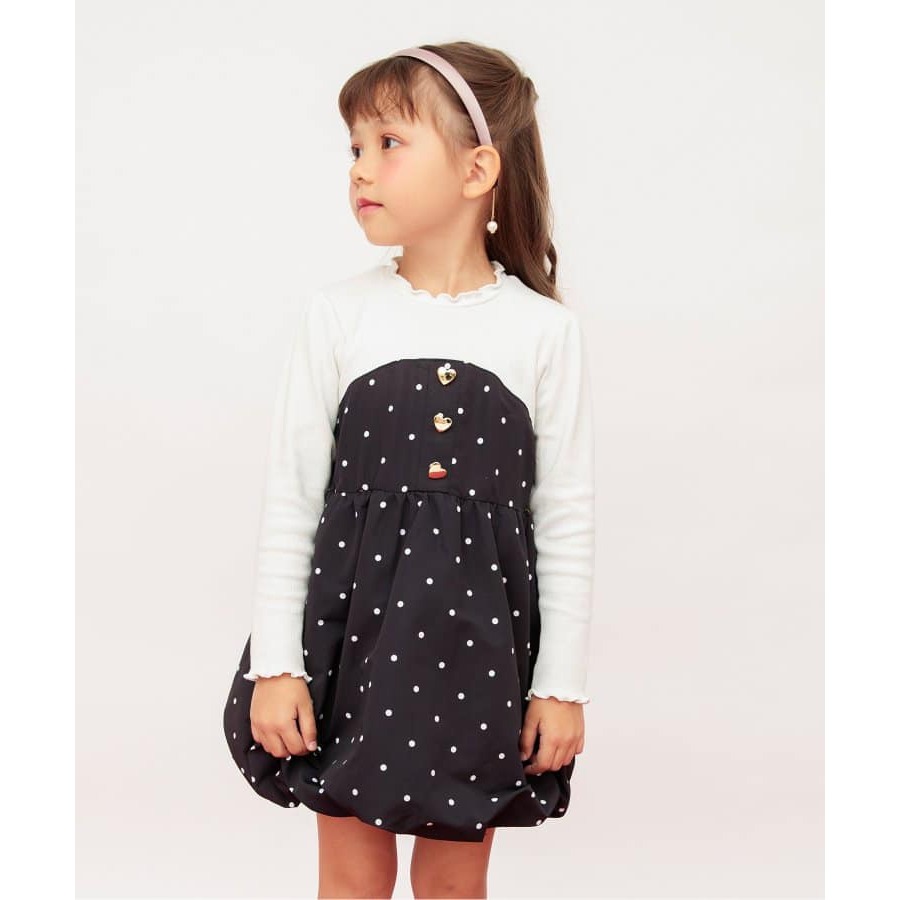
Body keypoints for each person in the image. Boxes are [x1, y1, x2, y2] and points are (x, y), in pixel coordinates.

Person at [222, 41, 596, 898]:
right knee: (352, 879)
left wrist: (560, 685)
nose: (361, 168)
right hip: (348, 642)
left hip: (479, 656)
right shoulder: (339, 316)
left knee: (454, 885)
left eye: (389, 143)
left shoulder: (544, 333)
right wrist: (277, 666)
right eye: (355, 147)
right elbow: (293, 501)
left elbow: (565, 520)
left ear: (476, 170)